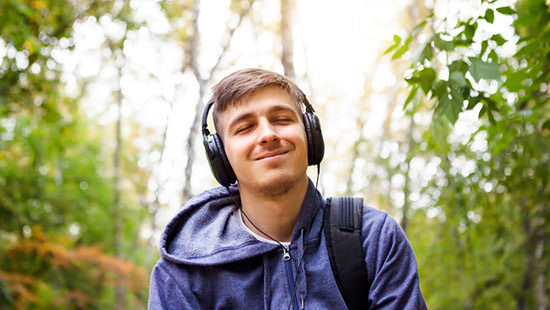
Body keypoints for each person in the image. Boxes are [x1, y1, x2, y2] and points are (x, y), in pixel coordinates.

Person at [148, 68, 427, 309]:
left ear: (310, 134)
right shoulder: (185, 270)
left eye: (281, 119)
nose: (268, 135)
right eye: (245, 128)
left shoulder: (372, 238)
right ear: (220, 155)